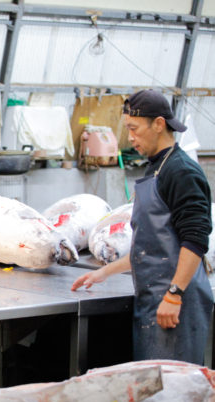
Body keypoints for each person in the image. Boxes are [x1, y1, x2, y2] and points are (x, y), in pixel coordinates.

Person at [71, 89, 213, 364]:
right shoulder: (157, 168)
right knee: (152, 387)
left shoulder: (181, 171)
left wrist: (174, 294)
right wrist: (104, 273)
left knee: (173, 392)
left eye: (134, 129)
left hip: (176, 304)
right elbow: (151, 247)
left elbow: (195, 239)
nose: (131, 138)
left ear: (159, 124)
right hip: (154, 299)